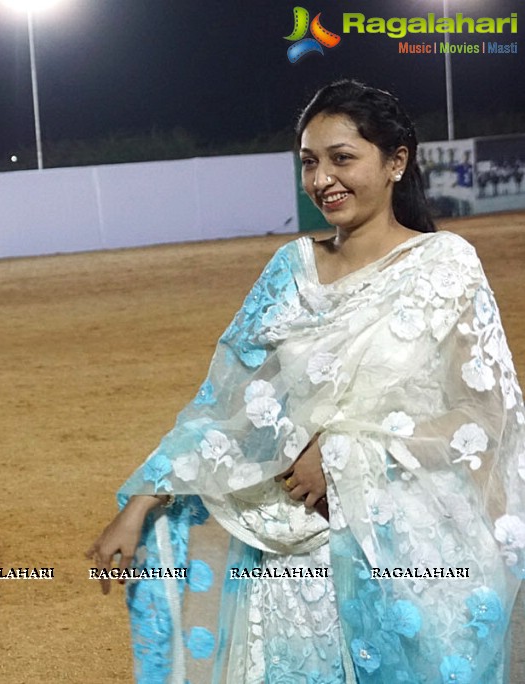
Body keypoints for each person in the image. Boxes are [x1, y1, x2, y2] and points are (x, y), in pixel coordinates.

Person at [87, 80, 525, 683]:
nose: (323, 180)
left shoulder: (445, 267)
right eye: (310, 162)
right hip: (288, 565)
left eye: (342, 158)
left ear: (397, 161)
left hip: (407, 555)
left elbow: (484, 416)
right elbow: (229, 403)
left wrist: (342, 451)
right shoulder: (290, 270)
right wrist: (139, 506)